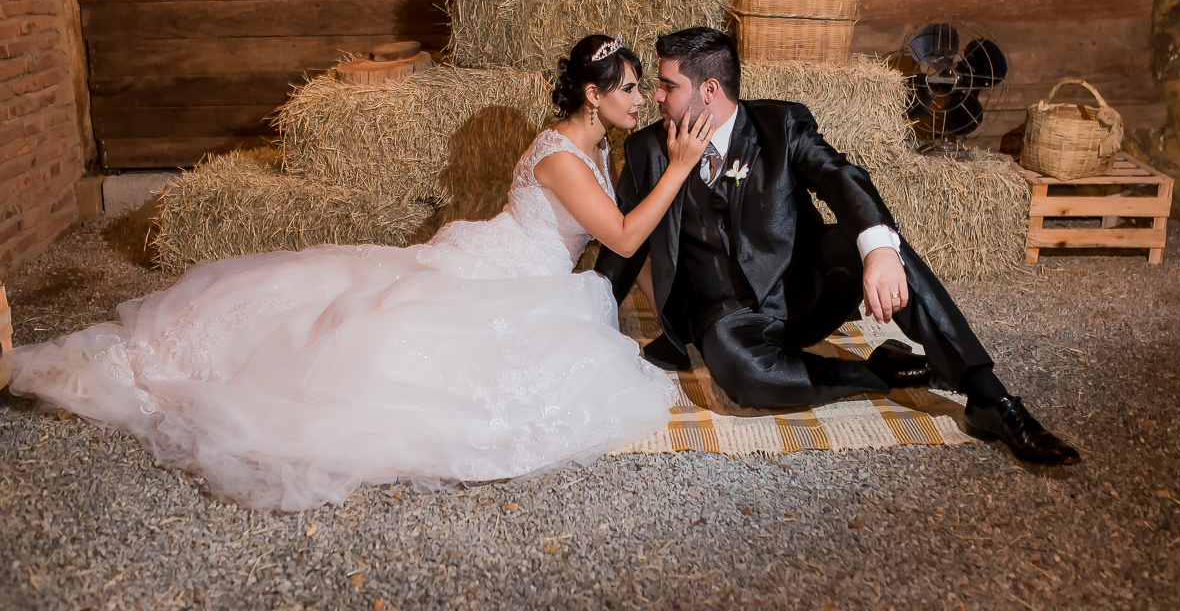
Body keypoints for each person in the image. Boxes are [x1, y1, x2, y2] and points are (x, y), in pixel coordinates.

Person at [1, 34, 715, 510]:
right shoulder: (563, 156)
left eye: (641, 88)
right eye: (628, 89)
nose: (641, 100)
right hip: (505, 270)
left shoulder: (594, 145)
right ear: (591, 94)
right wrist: (681, 167)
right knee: (391, 351)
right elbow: (624, 234)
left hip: (516, 262)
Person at [595, 27, 1080, 466]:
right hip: (724, 319)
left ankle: (989, 397)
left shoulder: (781, 124)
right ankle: (879, 374)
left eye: (668, 85)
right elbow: (624, 247)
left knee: (877, 240)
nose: (655, 96)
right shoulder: (645, 151)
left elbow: (840, 177)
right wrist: (591, 321)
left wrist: (879, 249)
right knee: (744, 378)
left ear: (709, 90)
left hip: (804, 291)